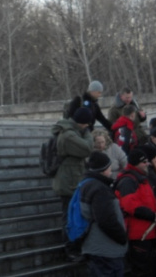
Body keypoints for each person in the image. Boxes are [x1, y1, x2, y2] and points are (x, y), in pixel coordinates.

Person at [52, 107, 94, 260]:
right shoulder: (69, 135)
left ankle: (75, 247)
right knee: (69, 217)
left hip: (72, 179)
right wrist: (88, 133)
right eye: (87, 124)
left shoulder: (72, 131)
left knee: (73, 215)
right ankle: (71, 248)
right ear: (83, 123)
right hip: (68, 182)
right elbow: (88, 148)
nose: (88, 127)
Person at [80, 151, 128, 276]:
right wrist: (122, 237)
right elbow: (106, 220)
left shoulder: (88, 184)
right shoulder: (100, 189)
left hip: (98, 247)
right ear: (104, 169)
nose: (112, 170)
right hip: (105, 249)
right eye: (110, 167)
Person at [116, 149, 156, 277]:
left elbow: (148, 201)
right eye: (144, 162)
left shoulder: (140, 178)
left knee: (150, 267)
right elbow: (131, 207)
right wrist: (154, 215)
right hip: (138, 234)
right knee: (142, 270)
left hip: (147, 233)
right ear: (136, 163)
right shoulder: (129, 181)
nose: (147, 164)